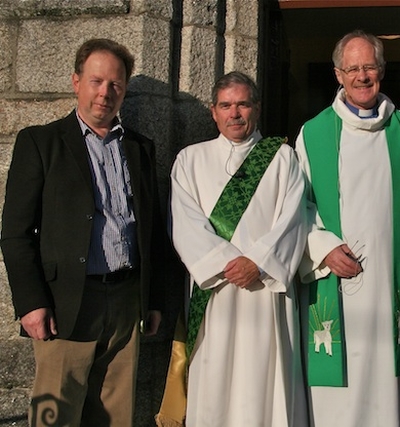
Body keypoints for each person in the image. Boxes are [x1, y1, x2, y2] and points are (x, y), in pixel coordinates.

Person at [0, 38, 165, 426]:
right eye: (96, 81)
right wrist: (30, 303)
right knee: (55, 416)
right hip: (67, 304)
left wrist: (151, 298)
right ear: (76, 81)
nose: (105, 93)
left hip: (126, 303)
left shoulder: (140, 148)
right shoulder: (40, 143)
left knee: (115, 416)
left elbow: (151, 231)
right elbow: (14, 233)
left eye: (116, 85)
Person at [294, 30, 400, 427]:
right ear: (338, 74)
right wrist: (324, 248)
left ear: (382, 71)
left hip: (391, 279)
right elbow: (296, 205)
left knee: (388, 370)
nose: (362, 76)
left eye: (370, 67)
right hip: (337, 278)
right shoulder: (313, 133)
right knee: (342, 382)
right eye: (353, 68)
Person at [169, 71, 308, 427]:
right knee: (214, 379)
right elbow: (185, 225)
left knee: (263, 380)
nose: (235, 113)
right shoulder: (189, 160)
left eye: (243, 104)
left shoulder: (282, 159)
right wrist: (228, 263)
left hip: (265, 291)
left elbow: (293, 222)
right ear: (213, 112)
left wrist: (258, 263)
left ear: (256, 109)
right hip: (215, 290)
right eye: (226, 105)